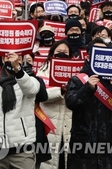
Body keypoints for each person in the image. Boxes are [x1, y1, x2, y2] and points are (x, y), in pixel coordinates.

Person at [65, 38, 112, 168]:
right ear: (88, 57)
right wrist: (87, 88)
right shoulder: (78, 80)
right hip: (84, 144)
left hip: (111, 146)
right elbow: (71, 102)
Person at [0, 52, 41, 168]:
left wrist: (18, 70)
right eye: (9, 57)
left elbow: (31, 90)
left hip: (22, 151)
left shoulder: (30, 81)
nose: (12, 60)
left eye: (17, 58)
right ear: (3, 60)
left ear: (21, 61)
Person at [37, 41, 73, 169]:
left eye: (65, 53)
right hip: (49, 124)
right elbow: (41, 96)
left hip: (69, 125)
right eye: (58, 52)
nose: (62, 55)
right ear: (51, 54)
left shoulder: (76, 71)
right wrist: (61, 90)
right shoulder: (43, 72)